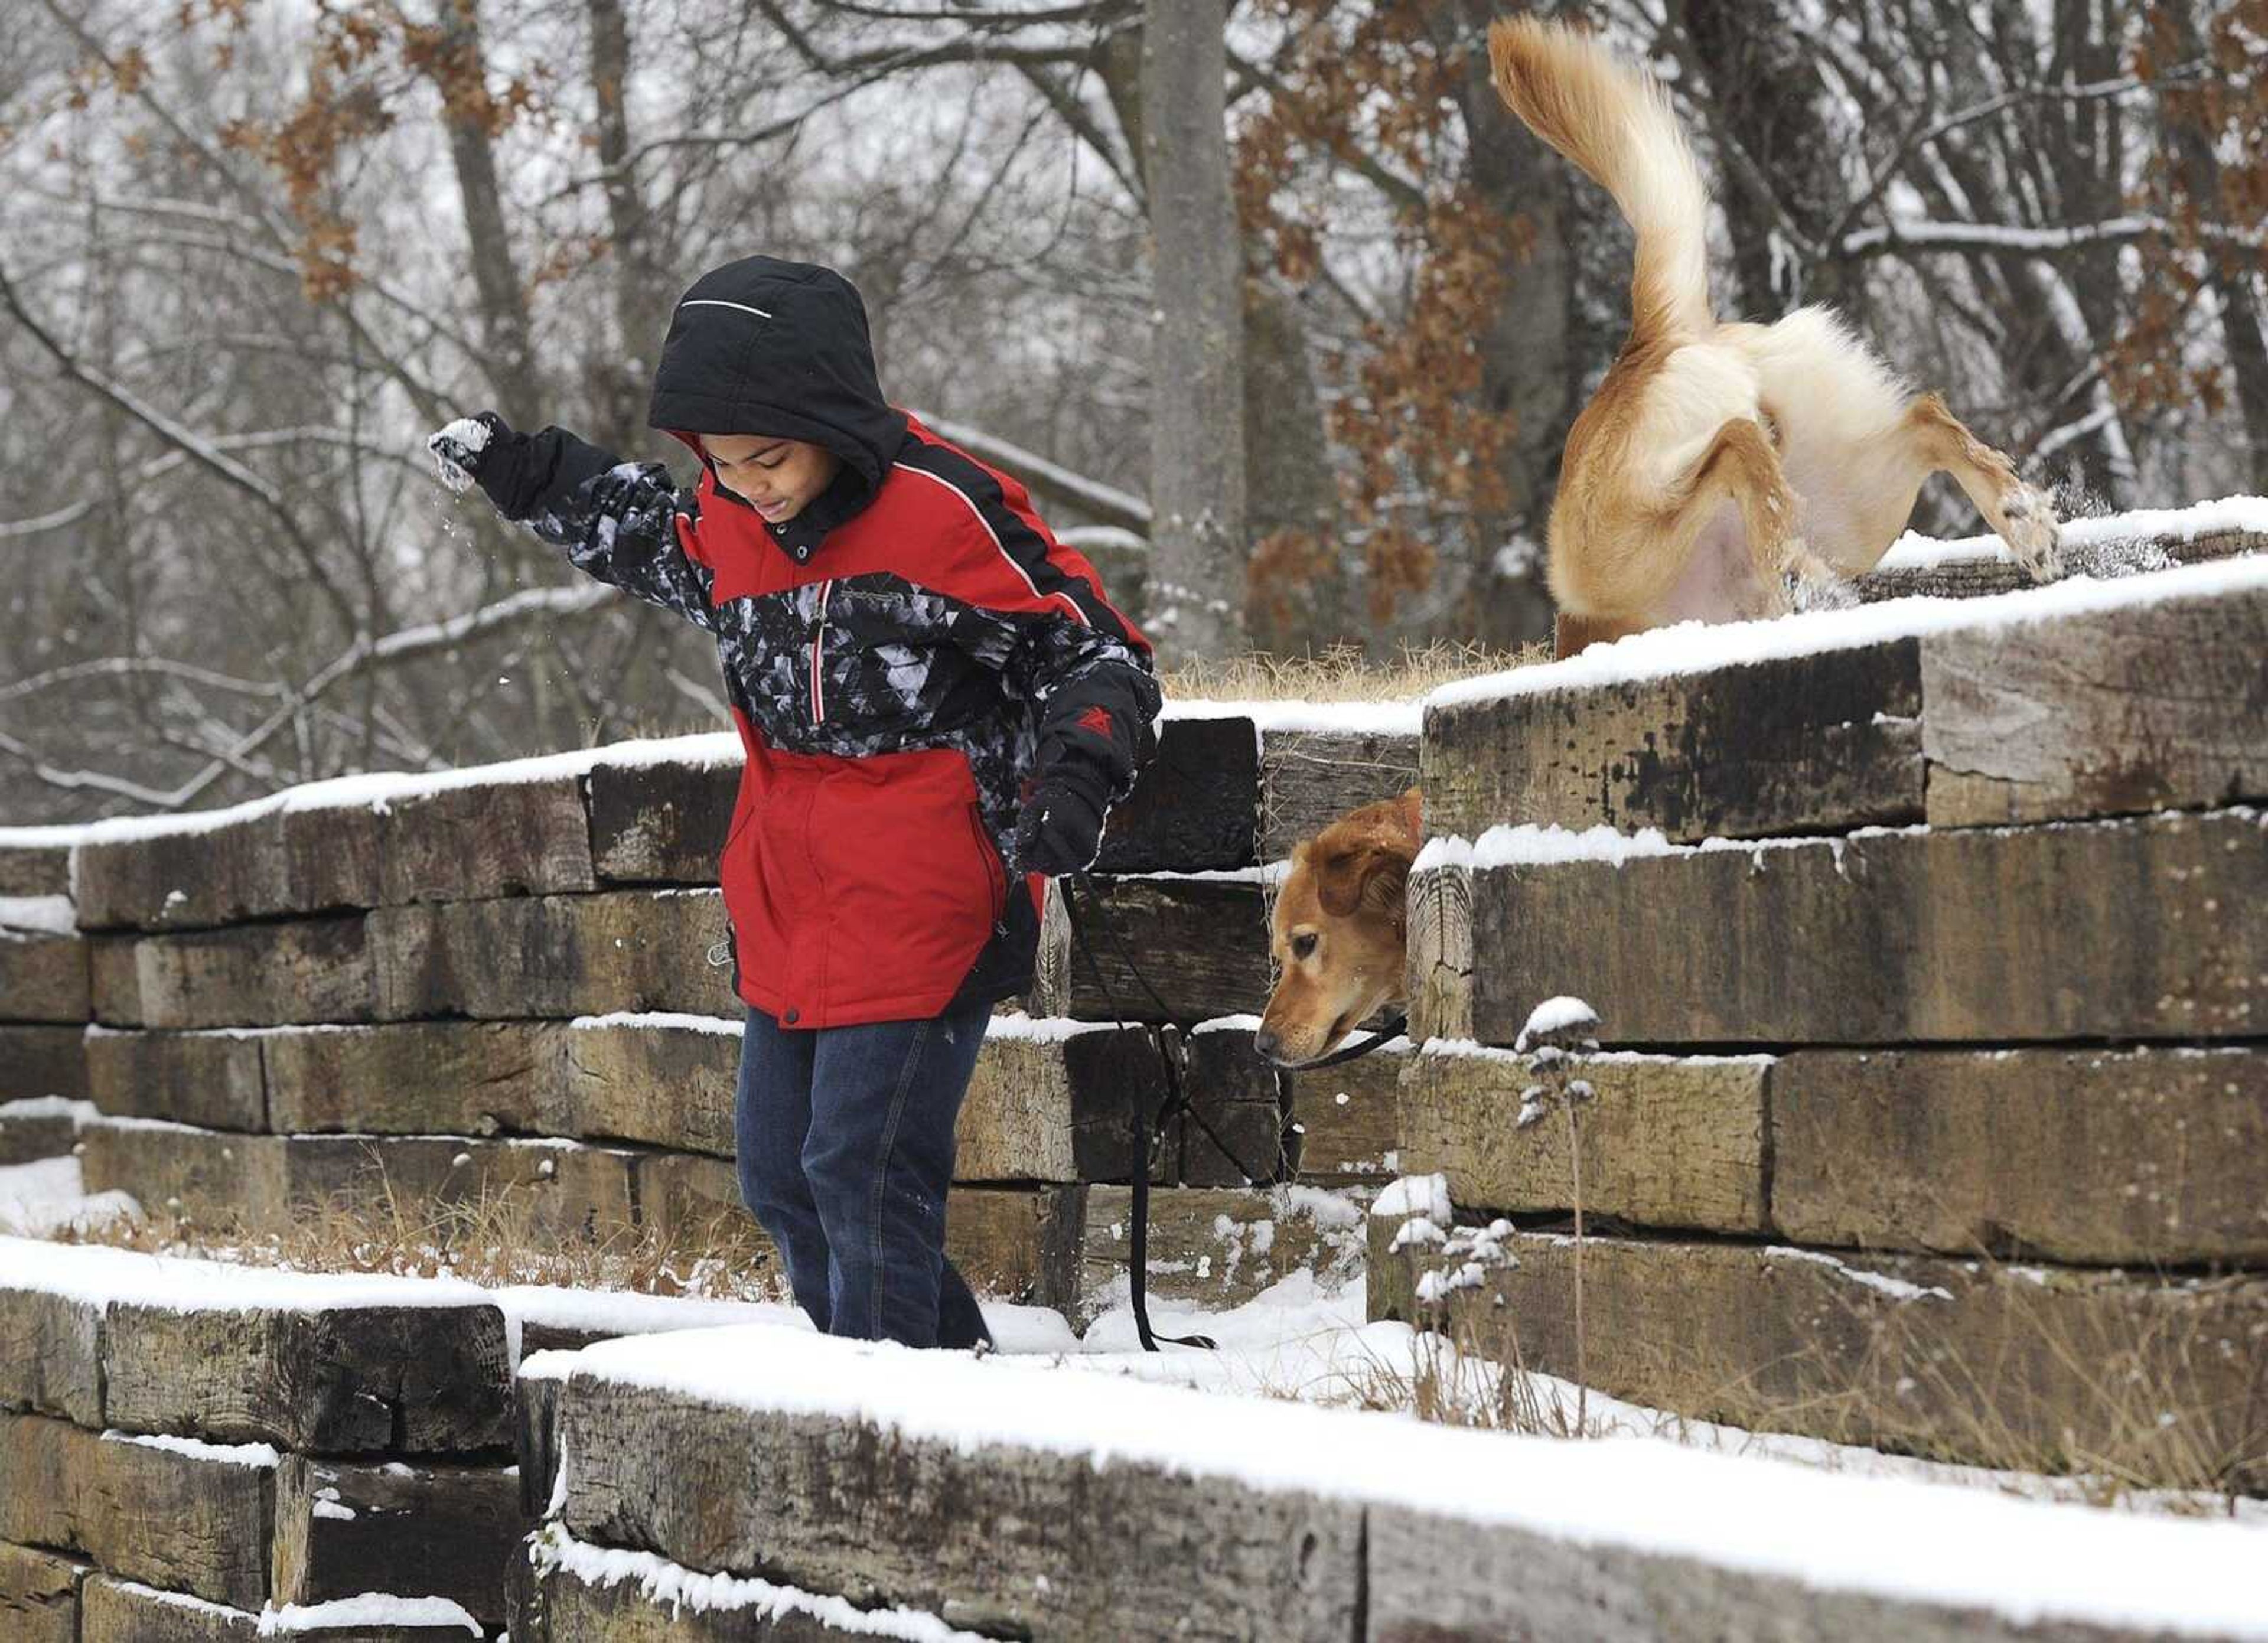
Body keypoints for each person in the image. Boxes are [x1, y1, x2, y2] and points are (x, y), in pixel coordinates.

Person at [429, 255, 1158, 1350]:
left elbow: (1098, 653)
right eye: (724, 465)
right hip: (788, 892)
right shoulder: (731, 520)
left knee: (861, 1173)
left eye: (769, 457)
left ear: (832, 419)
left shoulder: (943, 513)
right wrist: (531, 474)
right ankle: (942, 1376)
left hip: (929, 888)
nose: (749, 484)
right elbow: (650, 536)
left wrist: (1077, 775)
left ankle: (886, 1431)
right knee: (783, 1182)